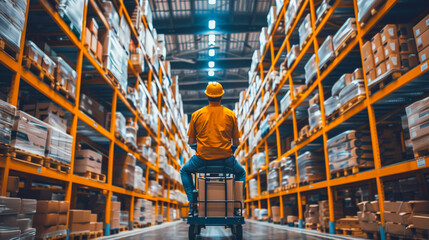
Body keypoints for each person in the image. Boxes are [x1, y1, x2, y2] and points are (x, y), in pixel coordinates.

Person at [180, 82, 246, 216]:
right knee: (241, 173)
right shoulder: (231, 115)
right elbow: (237, 142)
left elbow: (191, 141)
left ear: (207, 97)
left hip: (202, 159)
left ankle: (192, 204)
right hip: (226, 160)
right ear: (221, 97)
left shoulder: (196, 115)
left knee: (184, 170)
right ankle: (236, 207)